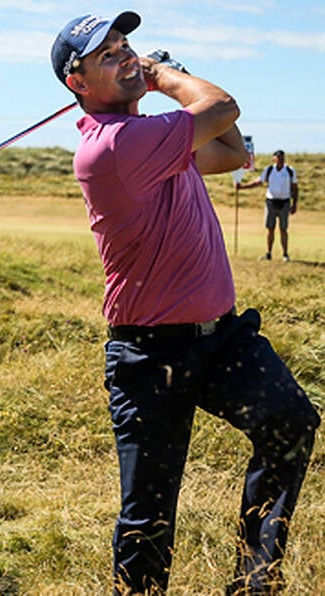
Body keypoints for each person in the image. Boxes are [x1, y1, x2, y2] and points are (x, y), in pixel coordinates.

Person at [50, 11, 319, 595]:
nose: (125, 54)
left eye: (126, 44)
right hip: (150, 354)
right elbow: (224, 109)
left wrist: (161, 83)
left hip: (221, 337)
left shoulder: (157, 141)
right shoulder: (115, 147)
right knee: (149, 515)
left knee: (291, 422)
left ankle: (255, 581)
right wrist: (164, 74)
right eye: (107, 55)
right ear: (78, 83)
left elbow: (229, 151)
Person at [236, 150, 299, 262]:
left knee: (283, 229)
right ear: (274, 159)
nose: (280, 160)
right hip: (271, 202)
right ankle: (269, 253)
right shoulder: (269, 170)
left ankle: (285, 254)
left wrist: (294, 204)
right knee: (270, 229)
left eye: (282, 158)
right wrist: (243, 187)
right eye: (278, 158)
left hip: (284, 202)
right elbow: (258, 182)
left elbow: (294, 188)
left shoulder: (290, 171)